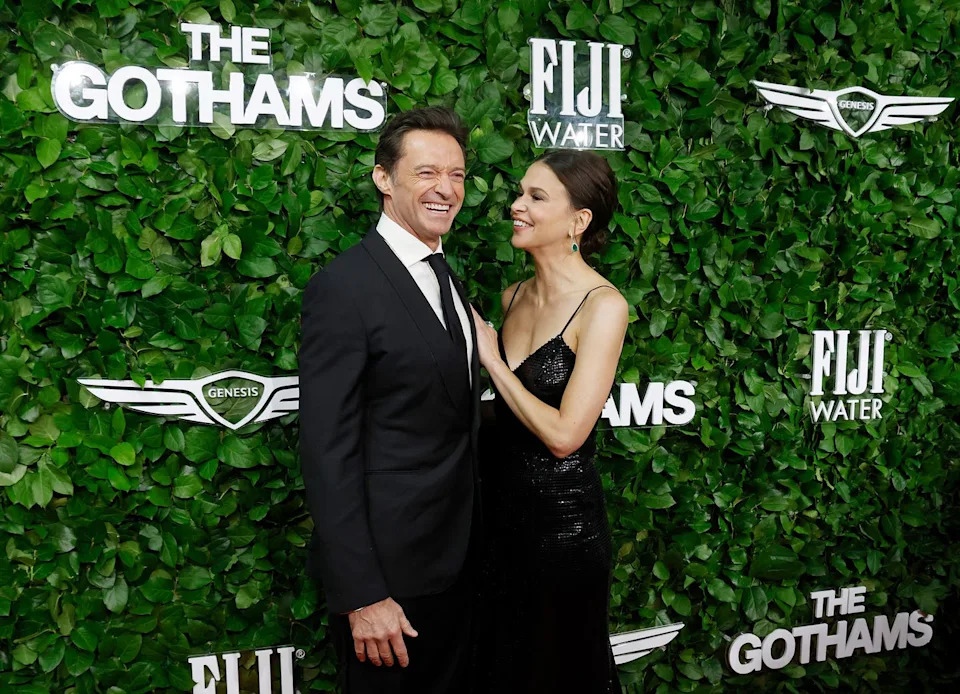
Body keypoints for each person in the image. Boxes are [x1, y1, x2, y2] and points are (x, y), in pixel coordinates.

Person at [299, 106, 481, 694]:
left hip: (459, 569)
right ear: (384, 179)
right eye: (427, 173)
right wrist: (363, 595)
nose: (446, 189)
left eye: (456, 175)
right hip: (389, 585)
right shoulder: (343, 288)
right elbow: (327, 451)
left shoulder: (445, 275)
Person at [470, 150, 629, 694]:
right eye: (520, 192)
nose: (516, 205)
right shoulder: (512, 298)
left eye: (537, 197)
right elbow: (504, 418)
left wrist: (492, 360)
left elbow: (565, 437)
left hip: (563, 538)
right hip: (498, 531)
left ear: (579, 221)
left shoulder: (602, 306)